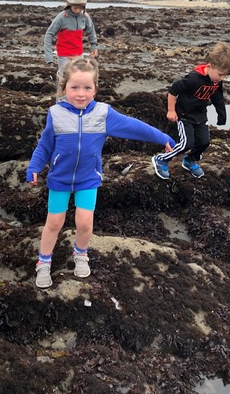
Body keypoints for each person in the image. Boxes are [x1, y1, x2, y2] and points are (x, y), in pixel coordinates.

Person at [26, 57, 175, 288]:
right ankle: (44, 262)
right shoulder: (55, 114)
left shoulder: (103, 114)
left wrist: (162, 137)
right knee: (54, 222)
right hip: (59, 179)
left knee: (85, 222)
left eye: (87, 88)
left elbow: (133, 126)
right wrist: (35, 167)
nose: (81, 93)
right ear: (64, 87)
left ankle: (81, 254)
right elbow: (45, 145)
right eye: (74, 87)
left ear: (95, 88)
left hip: (88, 179)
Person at [152, 41, 230, 180]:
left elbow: (217, 97)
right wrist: (171, 110)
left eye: (225, 76)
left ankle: (189, 161)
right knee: (186, 143)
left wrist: (221, 115)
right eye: (220, 75)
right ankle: (161, 159)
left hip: (200, 115)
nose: (222, 78)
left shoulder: (216, 80)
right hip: (184, 114)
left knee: (204, 142)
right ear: (209, 66)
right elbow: (173, 90)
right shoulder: (193, 79)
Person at [44, 0, 98, 81]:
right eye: (75, 7)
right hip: (64, 56)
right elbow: (49, 34)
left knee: (78, 80)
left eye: (80, 7)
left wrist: (94, 46)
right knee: (64, 81)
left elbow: (91, 31)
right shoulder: (61, 18)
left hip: (79, 55)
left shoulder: (85, 17)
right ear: (69, 5)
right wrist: (48, 56)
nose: (78, 10)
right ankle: (61, 97)